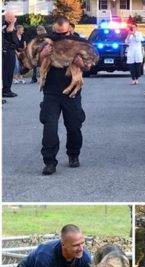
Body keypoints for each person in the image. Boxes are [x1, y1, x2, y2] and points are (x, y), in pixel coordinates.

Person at [38, 16, 88, 175]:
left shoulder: (79, 43)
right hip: (51, 91)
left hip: (72, 90)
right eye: (56, 33)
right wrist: (42, 55)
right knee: (50, 127)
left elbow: (91, 63)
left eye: (63, 34)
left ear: (70, 30)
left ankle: (74, 155)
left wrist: (82, 65)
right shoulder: (46, 42)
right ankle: (49, 162)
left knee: (74, 126)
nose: (59, 37)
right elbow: (34, 62)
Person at [2, 10, 19, 99]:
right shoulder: (4, 25)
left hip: (12, 50)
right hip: (6, 51)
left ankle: (8, 89)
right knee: (6, 71)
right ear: (7, 17)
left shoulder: (11, 25)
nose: (14, 18)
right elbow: (9, 30)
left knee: (10, 71)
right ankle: (5, 90)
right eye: (12, 17)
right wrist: (12, 23)